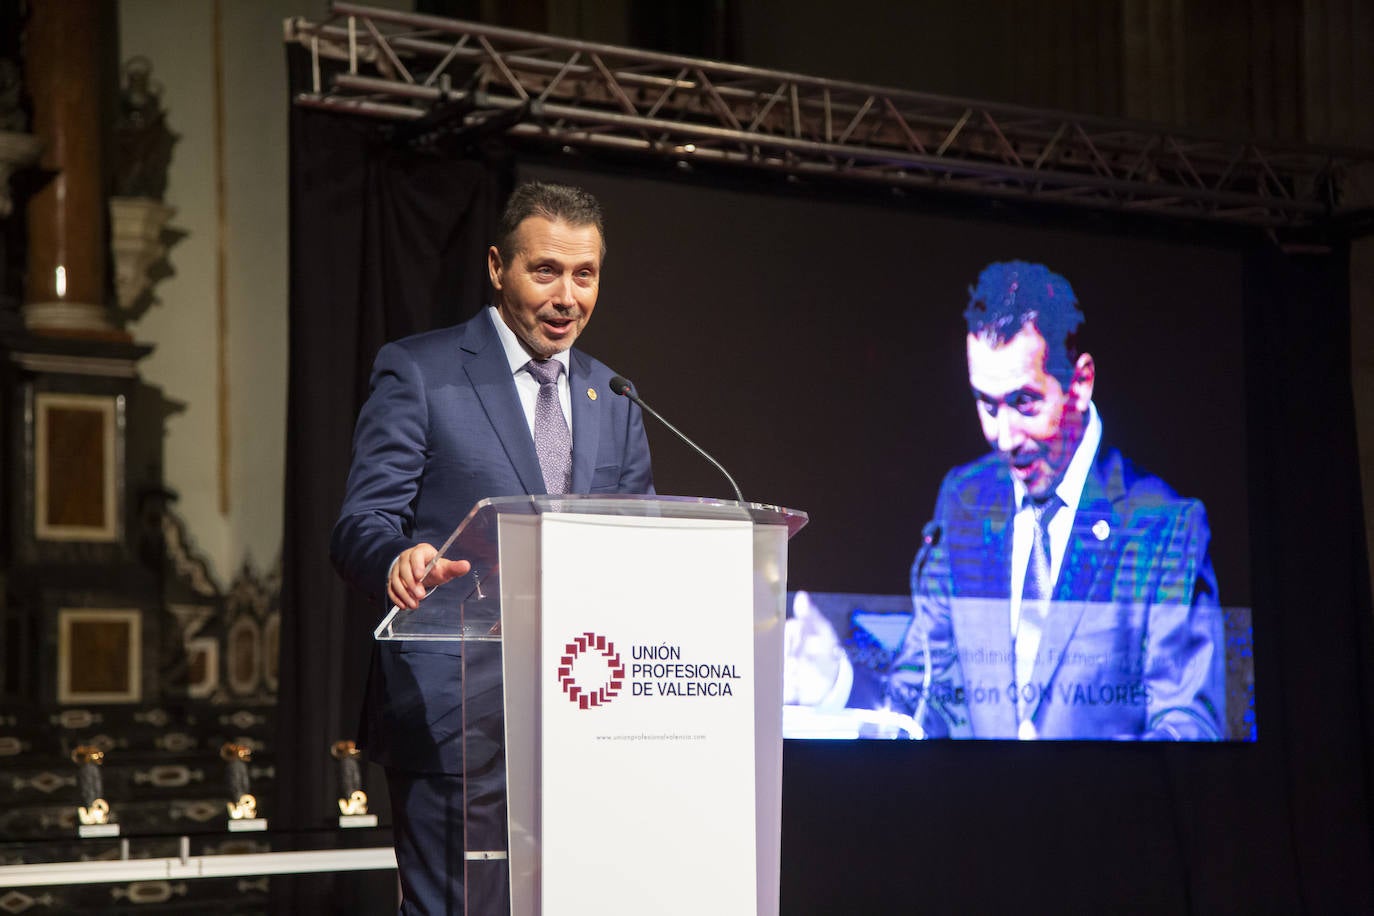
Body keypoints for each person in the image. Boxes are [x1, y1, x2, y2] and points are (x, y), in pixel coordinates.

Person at [331, 181, 654, 913]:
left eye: (585, 274)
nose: (567, 296)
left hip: (585, 712)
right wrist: (397, 559)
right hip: (453, 715)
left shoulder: (616, 397)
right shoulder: (420, 371)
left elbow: (639, 547)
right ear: (496, 267)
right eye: (545, 271)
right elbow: (358, 525)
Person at [791, 260, 1225, 741]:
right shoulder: (964, 500)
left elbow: (1190, 728)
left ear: (1080, 383)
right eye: (986, 403)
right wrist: (836, 685)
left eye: (1024, 403)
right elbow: (922, 706)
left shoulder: (1164, 526)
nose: (1003, 436)